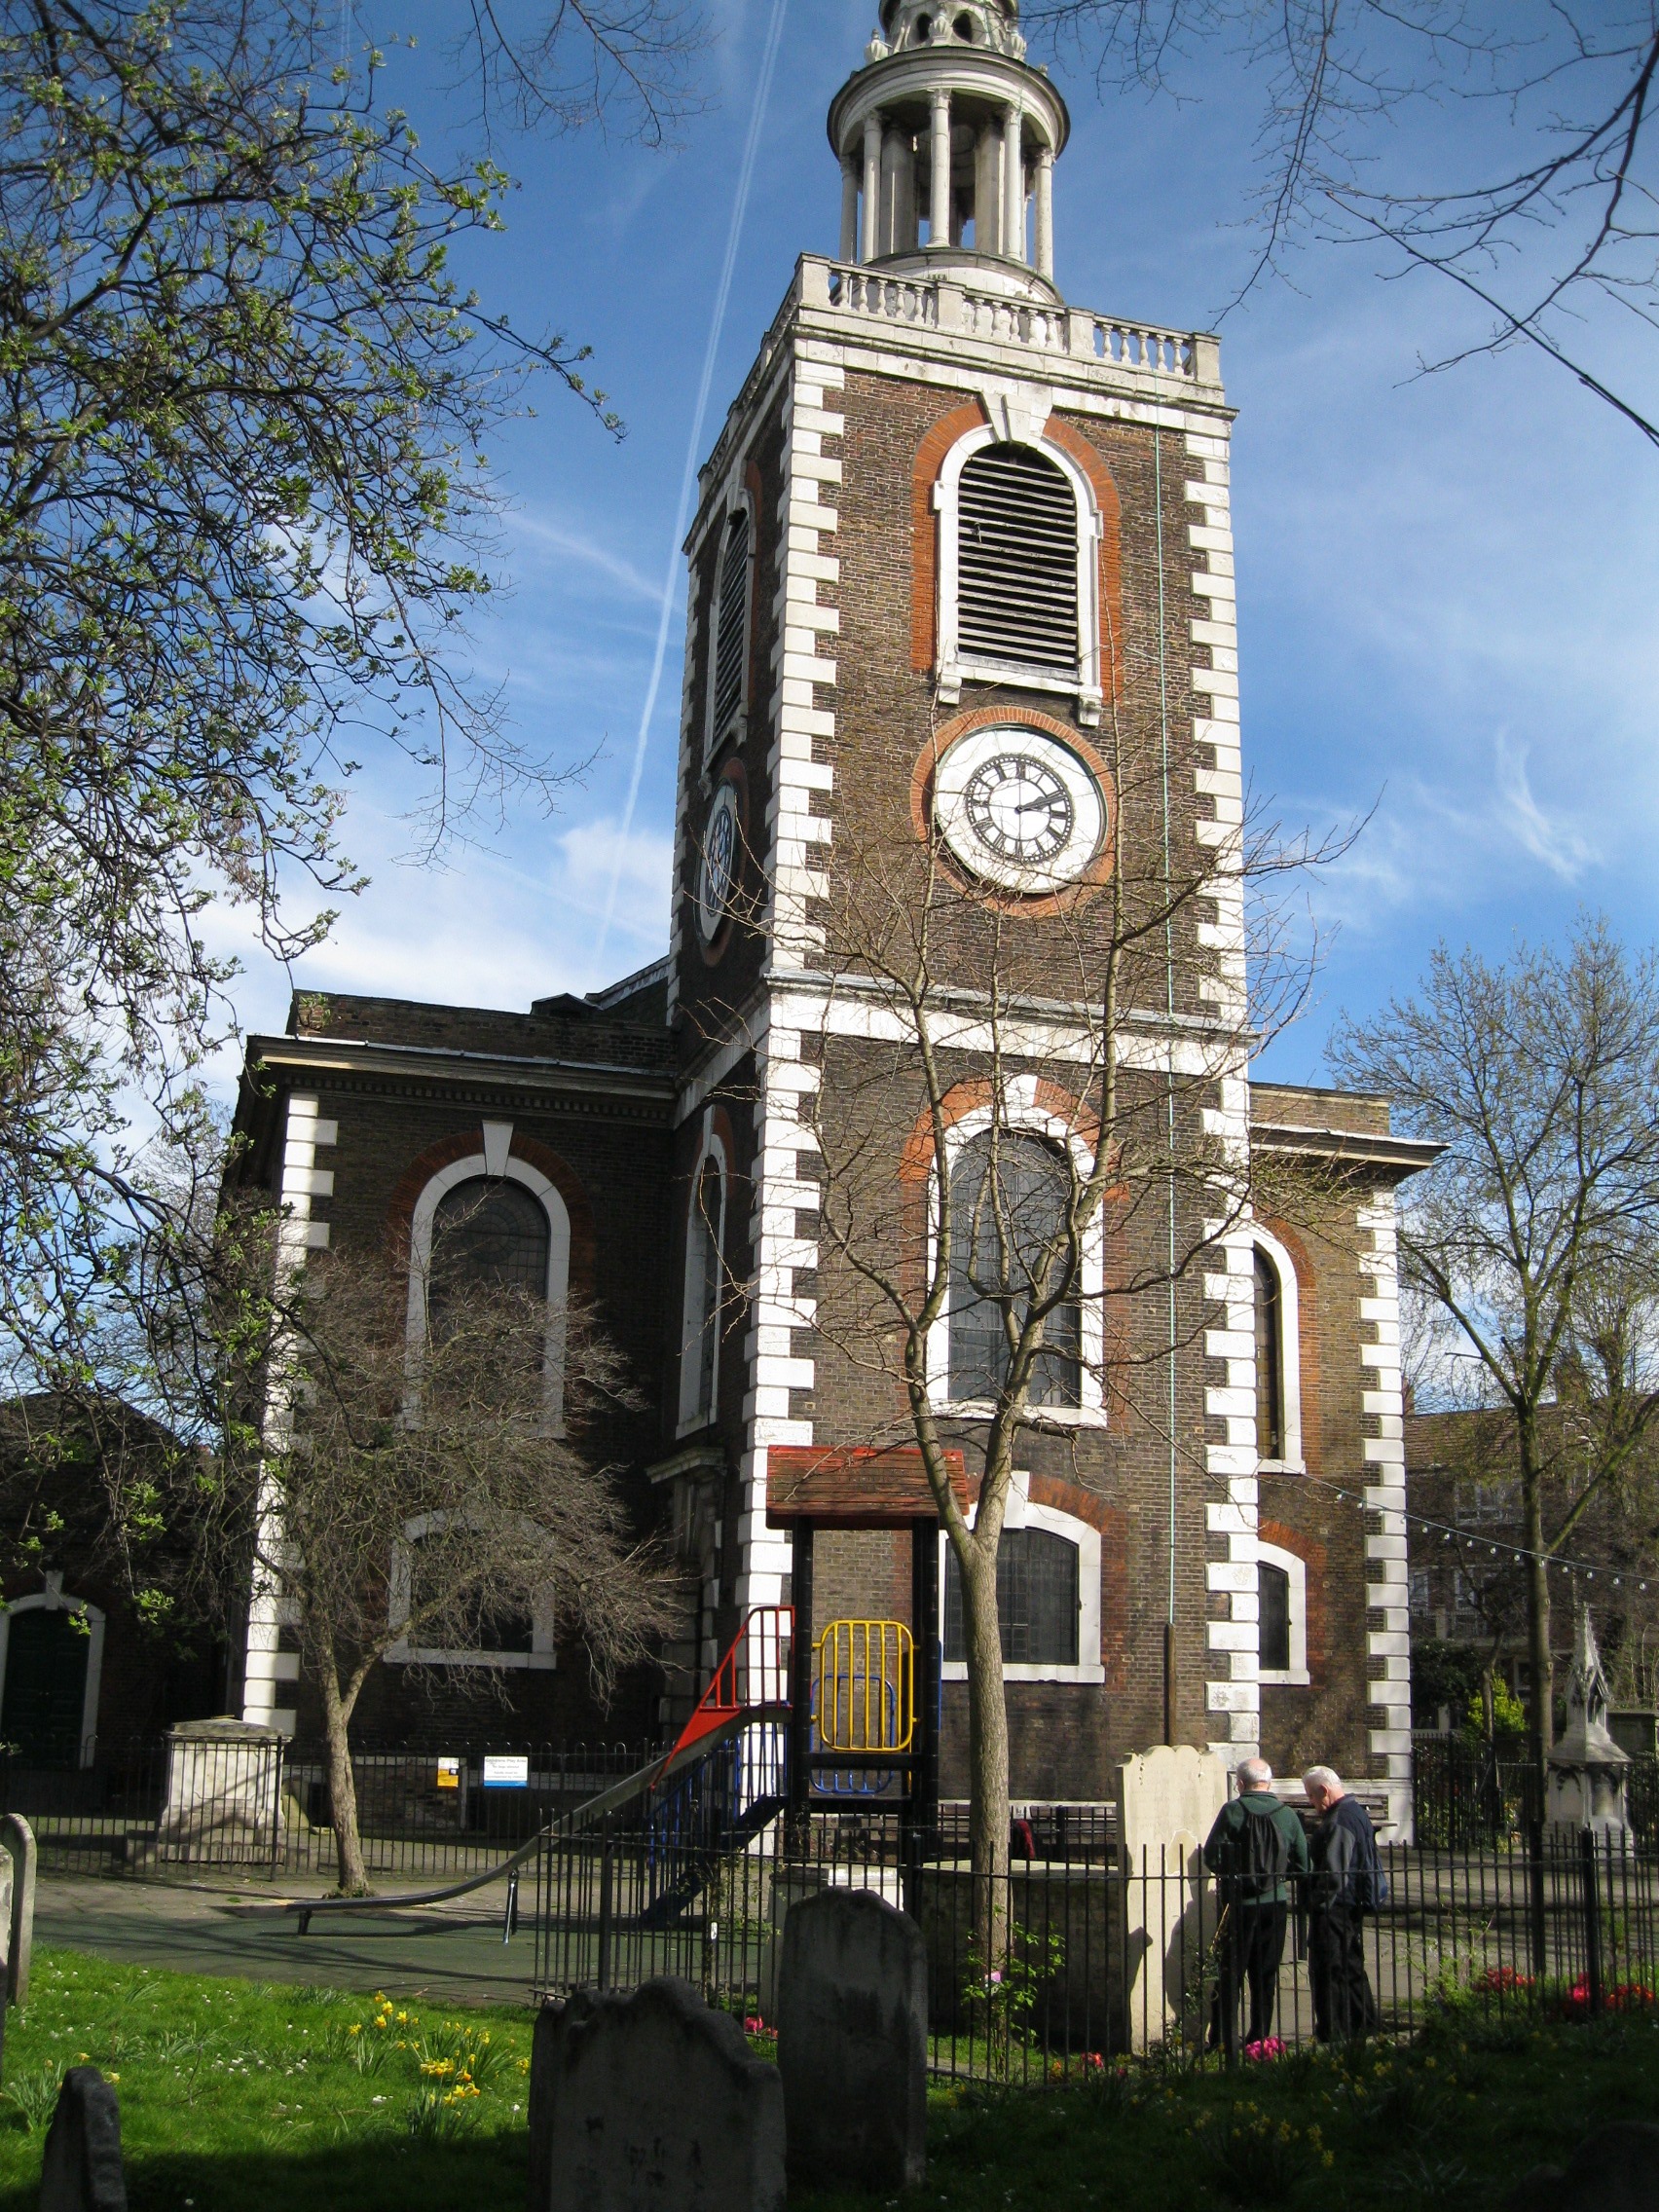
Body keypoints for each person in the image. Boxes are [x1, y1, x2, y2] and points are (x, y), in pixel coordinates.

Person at [1202, 1756, 1309, 2057]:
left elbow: (1211, 1857)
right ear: (1269, 1782)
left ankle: (1224, 2037)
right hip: (1275, 1904)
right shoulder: (1287, 1816)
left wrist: (1237, 1874)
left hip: (1238, 1905)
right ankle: (1259, 2036)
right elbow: (1304, 1864)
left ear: (1240, 1784)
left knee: (1230, 1973)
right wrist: (1277, 1876)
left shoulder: (1233, 1811)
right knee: (1265, 1974)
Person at [1302, 1765, 1382, 2043]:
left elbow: (1334, 1873)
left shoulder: (1339, 1821)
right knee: (1351, 1969)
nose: (1312, 1804)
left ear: (1324, 1790)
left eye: (1311, 1797)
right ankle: (1363, 2025)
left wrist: (1318, 1901)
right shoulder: (1357, 1813)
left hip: (1335, 1907)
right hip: (1353, 1904)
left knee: (1329, 1970)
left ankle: (1334, 2031)